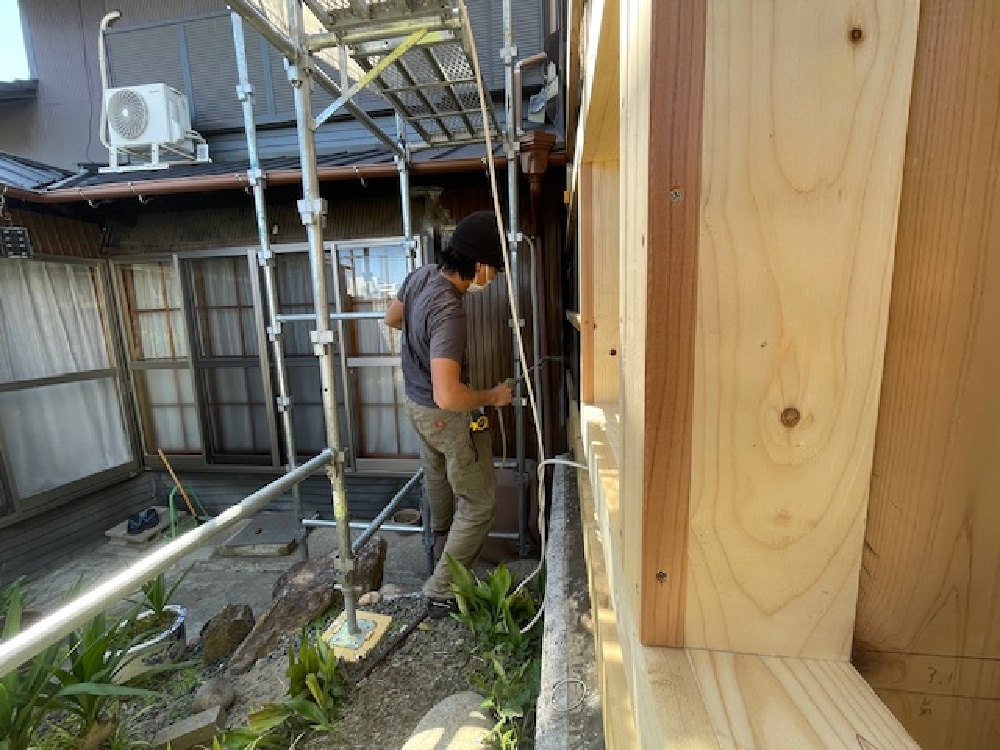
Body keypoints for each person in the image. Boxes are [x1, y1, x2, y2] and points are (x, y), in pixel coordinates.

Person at [384, 210, 514, 617]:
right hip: (443, 414)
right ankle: (441, 589)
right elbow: (448, 395)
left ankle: (438, 547)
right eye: (495, 269)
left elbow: (392, 318)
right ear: (479, 264)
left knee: (438, 480)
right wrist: (493, 397)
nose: (494, 277)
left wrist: (420, 339)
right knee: (478, 503)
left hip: (415, 406)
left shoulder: (421, 276)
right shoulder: (450, 312)